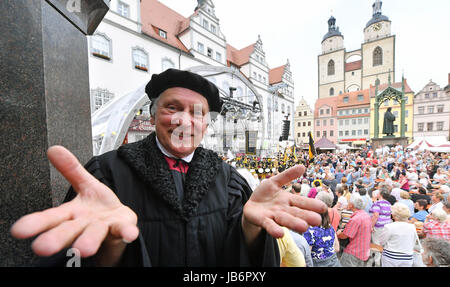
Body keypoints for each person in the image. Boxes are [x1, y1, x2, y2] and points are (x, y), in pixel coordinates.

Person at [10, 69, 327, 267]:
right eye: (172, 108)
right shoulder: (107, 174)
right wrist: (114, 244)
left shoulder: (229, 181)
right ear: (152, 115)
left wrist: (250, 227)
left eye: (197, 112)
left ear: (206, 124)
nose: (184, 121)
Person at [337, 194, 372, 267]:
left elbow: (345, 235)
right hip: (363, 250)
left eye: (348, 202)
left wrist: (338, 234)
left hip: (353, 251)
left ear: (351, 205)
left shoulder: (355, 219)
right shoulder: (366, 215)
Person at [378, 203, 418, 267]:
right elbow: (413, 242)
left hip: (391, 256)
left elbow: (381, 242)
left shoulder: (389, 227)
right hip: (407, 256)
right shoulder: (412, 227)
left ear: (394, 215)